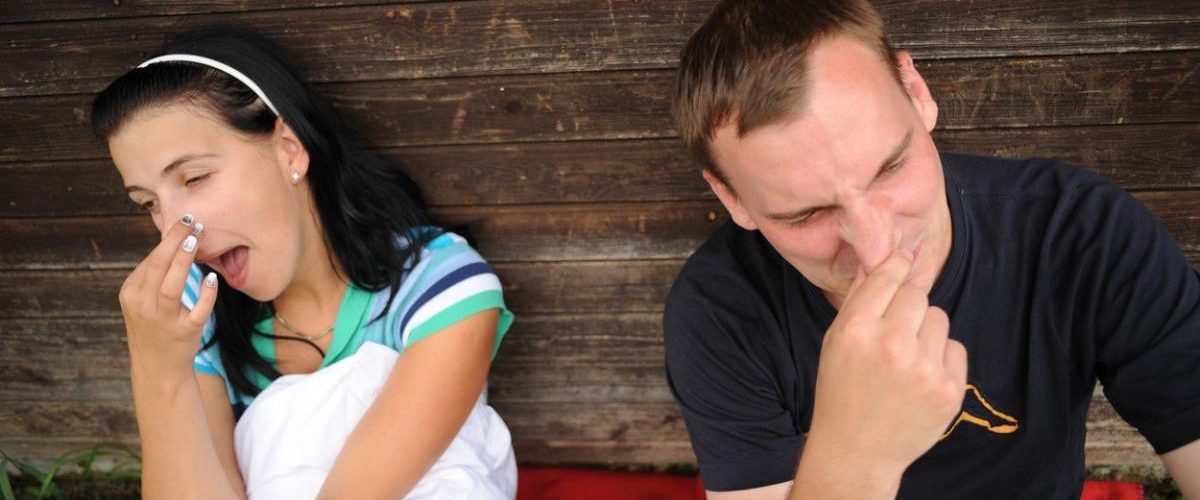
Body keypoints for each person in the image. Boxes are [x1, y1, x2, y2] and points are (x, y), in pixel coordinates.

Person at [662, 1, 1200, 498]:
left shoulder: (1081, 230)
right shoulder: (718, 311)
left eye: (891, 167)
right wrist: (858, 456)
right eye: (807, 215)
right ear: (732, 198)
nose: (879, 250)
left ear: (917, 92)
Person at [90, 26, 516, 499]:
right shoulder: (192, 307)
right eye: (148, 203)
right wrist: (159, 372)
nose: (175, 227)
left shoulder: (439, 283)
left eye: (195, 178)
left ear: (288, 151)